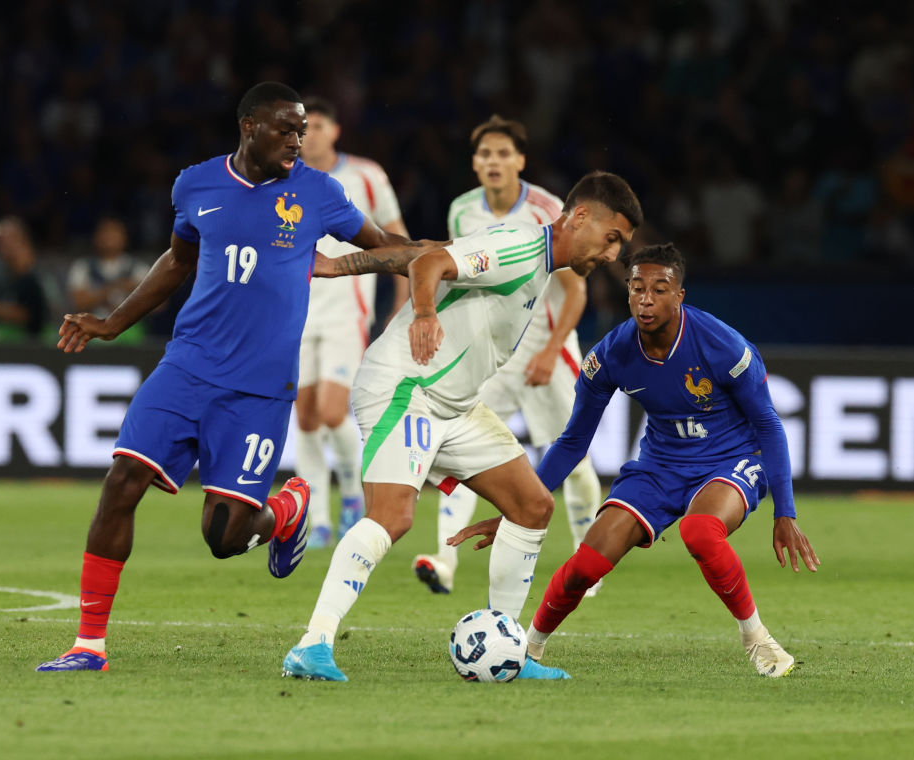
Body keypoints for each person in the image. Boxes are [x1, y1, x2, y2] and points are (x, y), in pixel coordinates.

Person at [36, 82, 421, 672]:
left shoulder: (317, 191)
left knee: (223, 539)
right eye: (286, 129)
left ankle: (283, 514)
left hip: (259, 390)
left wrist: (451, 259)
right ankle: (89, 644)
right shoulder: (196, 184)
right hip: (187, 365)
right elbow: (179, 260)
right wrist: (114, 323)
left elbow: (385, 247)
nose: (298, 141)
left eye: (303, 130)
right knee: (121, 482)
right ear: (249, 127)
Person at [281, 171, 643, 682]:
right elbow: (431, 264)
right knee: (393, 517)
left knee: (532, 505)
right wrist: (424, 312)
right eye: (612, 239)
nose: (612, 255)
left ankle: (509, 652)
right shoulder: (521, 248)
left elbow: (427, 249)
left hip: (455, 405)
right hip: (407, 388)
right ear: (580, 216)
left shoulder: (532, 258)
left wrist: (340, 266)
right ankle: (312, 642)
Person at [450, 243, 820, 678]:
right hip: (659, 466)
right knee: (585, 565)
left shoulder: (723, 346)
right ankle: (527, 649)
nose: (646, 300)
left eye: (659, 290)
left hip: (729, 460)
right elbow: (572, 441)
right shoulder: (611, 355)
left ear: (679, 295)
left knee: (701, 532)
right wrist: (517, 508)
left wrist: (785, 512)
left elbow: (770, 426)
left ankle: (757, 640)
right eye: (636, 288)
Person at [412, 115, 602, 596]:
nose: (493, 162)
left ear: (520, 160)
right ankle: (444, 560)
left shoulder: (547, 209)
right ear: (474, 164)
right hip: (491, 354)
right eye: (485, 154)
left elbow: (575, 293)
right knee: (460, 455)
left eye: (503, 154)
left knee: (574, 460)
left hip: (546, 349)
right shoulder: (461, 212)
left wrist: (551, 349)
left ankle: (588, 561)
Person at [296, 97, 410, 549]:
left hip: (347, 311)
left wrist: (403, 301)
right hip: (298, 311)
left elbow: (394, 238)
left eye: (319, 125)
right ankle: (316, 519)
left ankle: (351, 496)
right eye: (304, 128)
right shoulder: (284, 177)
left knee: (330, 411)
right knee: (304, 419)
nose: (311, 135)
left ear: (336, 130)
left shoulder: (366, 175)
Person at [66, 217, 150, 344]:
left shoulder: (138, 268)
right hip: (94, 328)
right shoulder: (83, 267)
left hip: (129, 329)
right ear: (96, 237)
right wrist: (107, 291)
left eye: (115, 232)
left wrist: (133, 289)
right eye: (105, 232)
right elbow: (78, 302)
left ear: (125, 237)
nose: (110, 237)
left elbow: (159, 304)